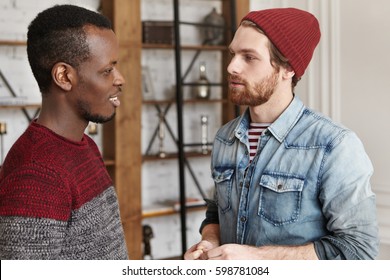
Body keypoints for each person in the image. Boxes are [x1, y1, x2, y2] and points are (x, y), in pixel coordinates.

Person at [185, 8, 379, 260]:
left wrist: (260, 259)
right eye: (233, 54)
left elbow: (359, 250)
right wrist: (209, 242)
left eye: (249, 57)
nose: (231, 66)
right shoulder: (225, 137)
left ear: (287, 68)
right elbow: (215, 213)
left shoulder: (334, 145)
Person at [0, 4, 128, 259]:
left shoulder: (84, 145)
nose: (120, 78)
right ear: (64, 76)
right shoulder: (37, 176)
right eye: (107, 70)